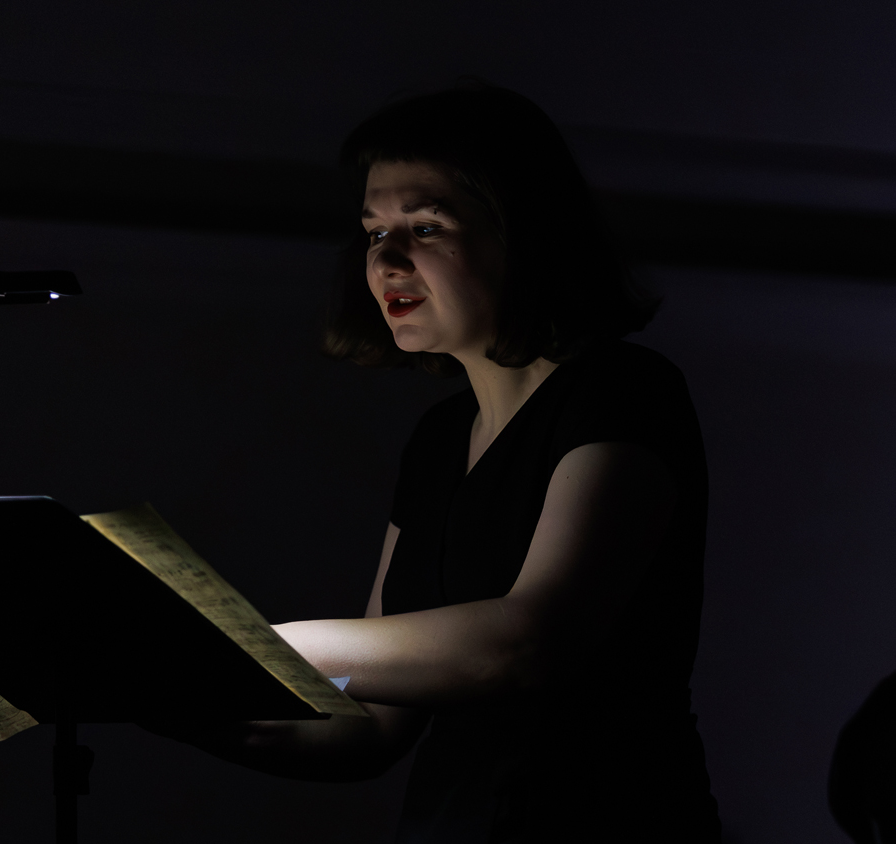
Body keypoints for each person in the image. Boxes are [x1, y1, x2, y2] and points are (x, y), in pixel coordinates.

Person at [158, 82, 721, 843]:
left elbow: (525, 642)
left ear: (522, 235)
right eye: (373, 232)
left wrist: (237, 643)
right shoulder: (438, 440)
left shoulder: (623, 391)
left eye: (425, 227)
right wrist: (152, 694)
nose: (386, 259)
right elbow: (367, 725)